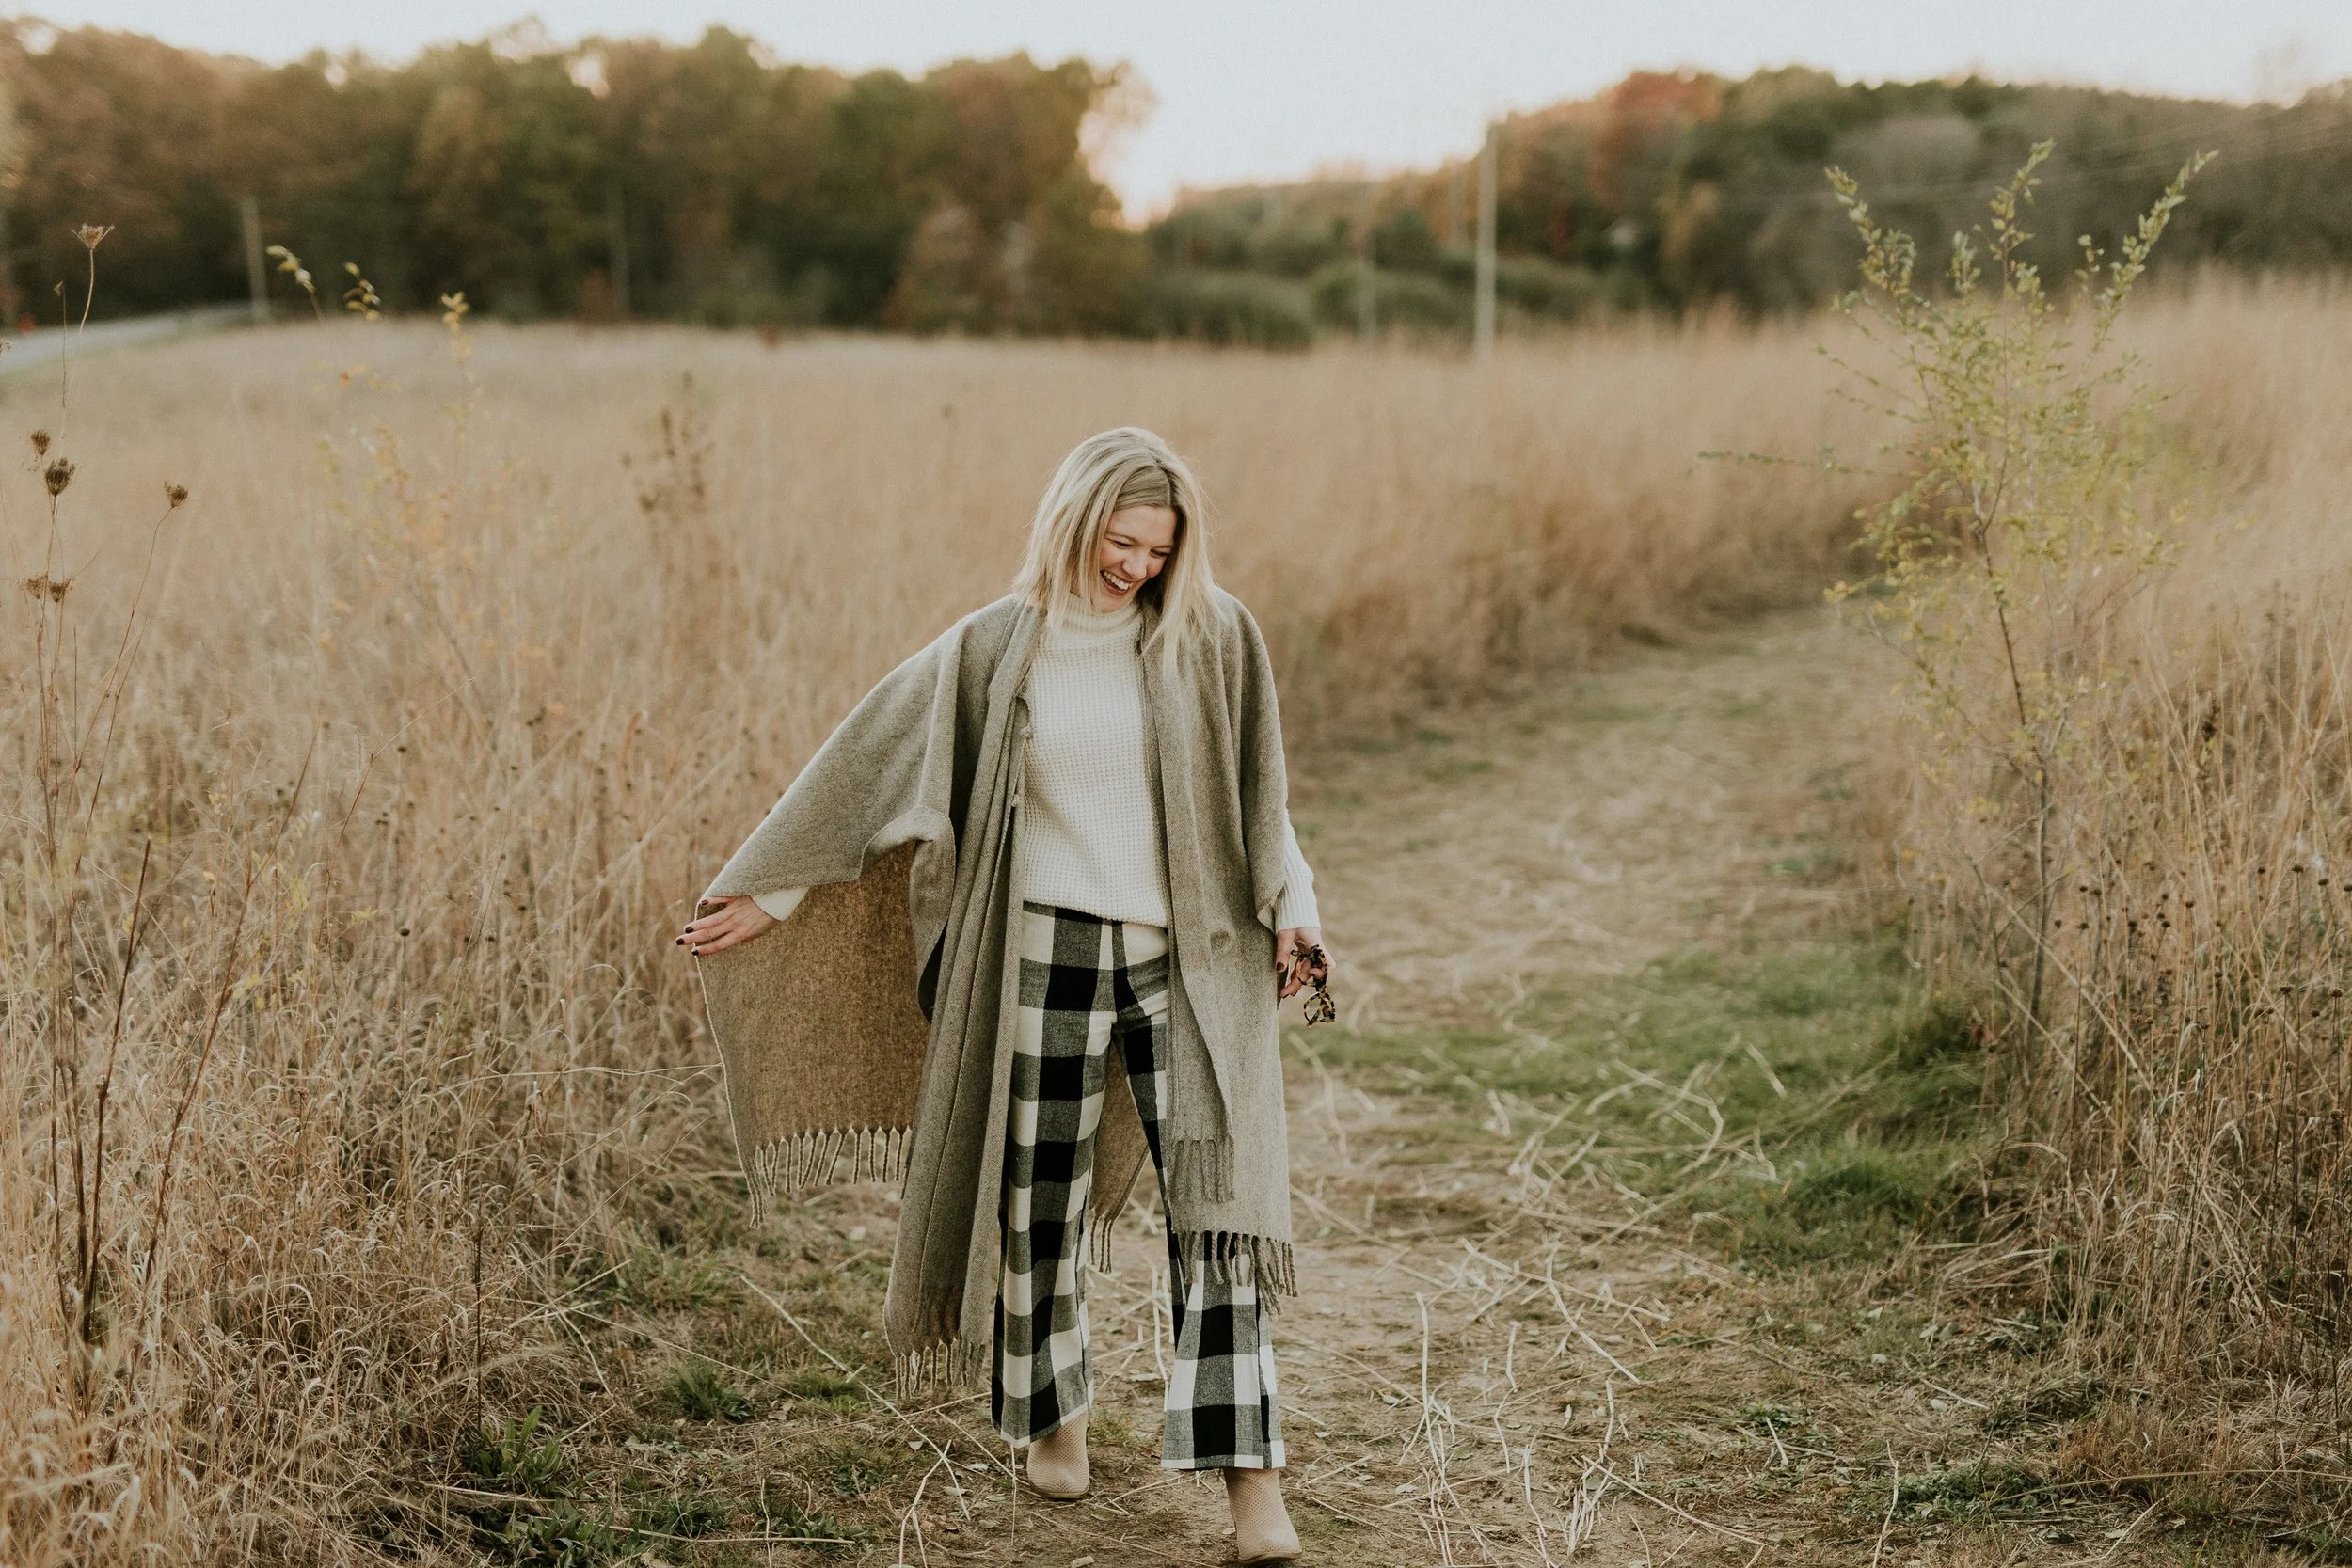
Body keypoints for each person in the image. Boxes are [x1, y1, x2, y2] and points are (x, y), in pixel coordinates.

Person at [679, 426, 1327, 1563]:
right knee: (1037, 1202)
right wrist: (769, 890)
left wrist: (1298, 907)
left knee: (1221, 1213)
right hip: (1042, 951)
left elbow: (1259, 796)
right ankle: (1051, 1408)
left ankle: (1252, 1482)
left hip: (1194, 960)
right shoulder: (993, 646)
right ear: (1072, 519)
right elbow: (867, 761)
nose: (1136, 567)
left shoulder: (1213, 634)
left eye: (1158, 550)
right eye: (1120, 542)